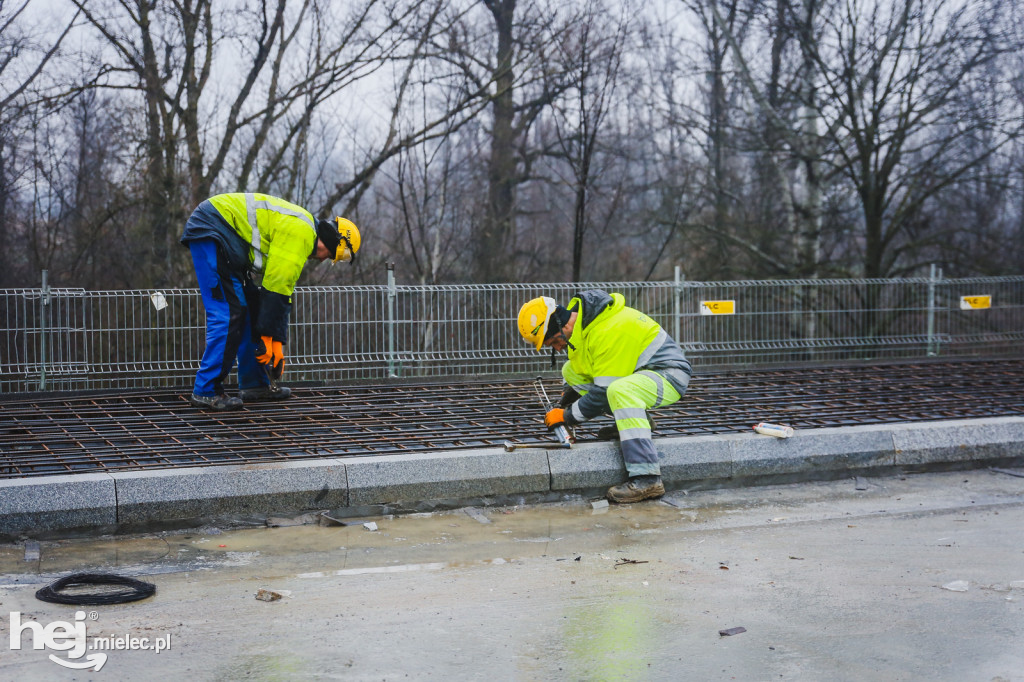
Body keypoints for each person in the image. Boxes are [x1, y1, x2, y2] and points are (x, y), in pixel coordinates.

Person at [180, 192, 361, 410]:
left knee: (249, 309)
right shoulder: (302, 234)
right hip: (214, 230)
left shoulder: (303, 231)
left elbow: (280, 292)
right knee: (229, 314)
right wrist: (269, 339)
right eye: (332, 254)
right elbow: (275, 291)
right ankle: (205, 391)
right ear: (332, 242)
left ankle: (255, 384)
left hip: (225, 238)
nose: (325, 259)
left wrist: (275, 342)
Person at [517, 290, 692, 503]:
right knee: (569, 370)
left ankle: (647, 479)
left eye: (554, 342)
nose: (556, 347)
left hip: (668, 374)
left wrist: (567, 416)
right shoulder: (585, 329)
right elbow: (581, 371)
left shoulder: (607, 330)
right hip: (642, 374)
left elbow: (602, 393)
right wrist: (565, 403)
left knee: (619, 390)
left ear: (564, 327)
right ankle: (640, 422)